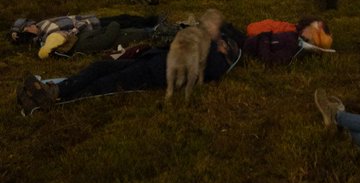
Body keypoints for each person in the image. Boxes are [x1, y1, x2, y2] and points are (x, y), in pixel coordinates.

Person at [16, 28, 241, 114]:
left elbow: (210, 71)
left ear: (229, 48)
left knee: (108, 82)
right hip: (150, 59)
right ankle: (56, 89)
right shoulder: (210, 44)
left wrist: (216, 49)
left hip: (156, 74)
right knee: (100, 66)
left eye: (223, 41)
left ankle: (54, 97)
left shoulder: (219, 61)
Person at [10, 12, 161, 58]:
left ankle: (150, 20)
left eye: (29, 23)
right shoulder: (46, 36)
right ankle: (152, 25)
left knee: (125, 17)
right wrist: (17, 35)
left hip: (92, 20)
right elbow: (69, 34)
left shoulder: (41, 24)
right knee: (127, 24)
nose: (31, 25)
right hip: (92, 29)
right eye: (27, 27)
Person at [243, 17, 333, 66]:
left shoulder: (293, 44)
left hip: (250, 44)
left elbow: (269, 59)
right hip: (256, 38)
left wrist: (264, 38)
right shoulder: (292, 32)